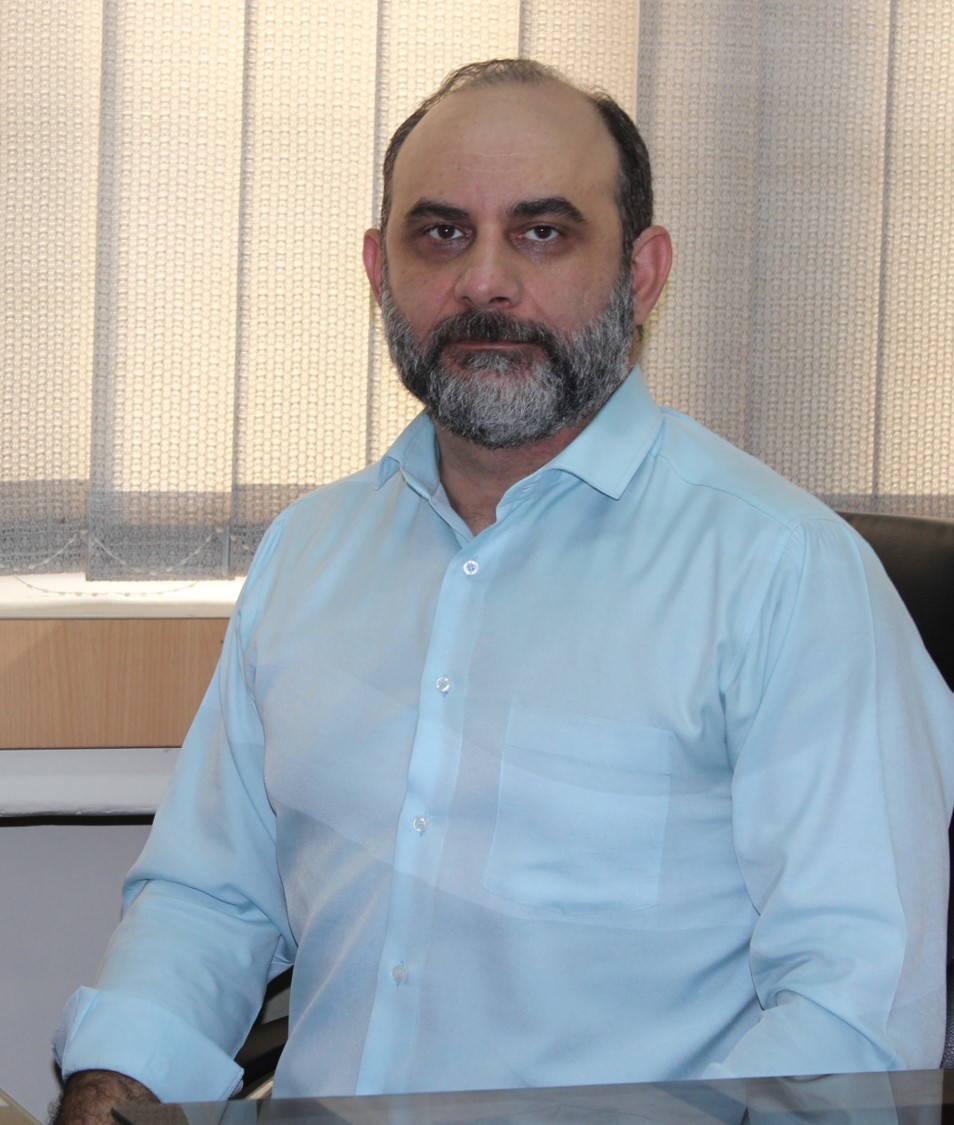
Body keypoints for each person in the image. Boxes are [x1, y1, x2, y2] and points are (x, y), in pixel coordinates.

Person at [54, 58, 954, 1123]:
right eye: (441, 233)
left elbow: (852, 1023)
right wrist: (114, 1085)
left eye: (542, 232)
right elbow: (209, 898)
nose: (484, 281)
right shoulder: (309, 553)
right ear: (378, 271)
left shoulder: (785, 576)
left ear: (642, 274)